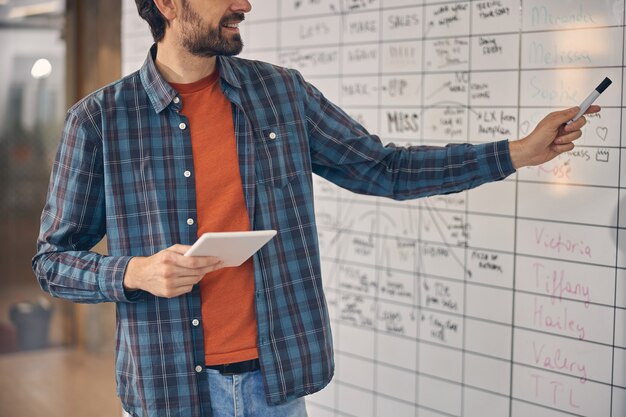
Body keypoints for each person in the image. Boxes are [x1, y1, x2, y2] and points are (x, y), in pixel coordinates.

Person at [32, 0, 599, 416]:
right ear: (169, 4)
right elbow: (52, 261)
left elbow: (383, 168)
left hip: (276, 386)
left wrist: (516, 153)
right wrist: (136, 272)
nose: (244, 5)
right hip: (170, 387)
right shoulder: (99, 121)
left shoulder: (281, 93)